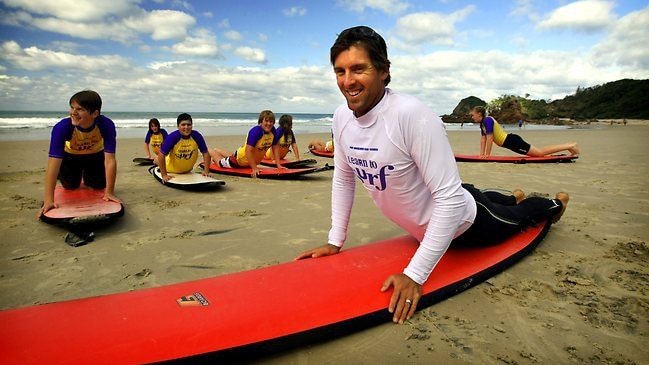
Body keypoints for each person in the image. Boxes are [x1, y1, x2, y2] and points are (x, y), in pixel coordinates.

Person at [294, 26, 570, 325]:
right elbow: (345, 178)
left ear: (384, 71)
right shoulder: (341, 117)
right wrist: (335, 241)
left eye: (359, 69)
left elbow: (450, 200)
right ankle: (508, 196)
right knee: (478, 196)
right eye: (340, 71)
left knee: (519, 216)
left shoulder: (412, 115)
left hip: (465, 225)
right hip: (439, 207)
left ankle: (555, 205)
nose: (348, 81)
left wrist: (415, 274)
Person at [39, 90, 121, 216]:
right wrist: (49, 200)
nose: (73, 113)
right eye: (72, 107)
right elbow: (52, 164)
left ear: (95, 113)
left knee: (98, 185)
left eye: (80, 109)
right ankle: (72, 176)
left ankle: (88, 177)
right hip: (71, 157)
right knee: (70, 186)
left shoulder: (106, 125)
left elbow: (110, 160)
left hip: (95, 157)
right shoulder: (62, 128)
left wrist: (109, 192)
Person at [470, 106, 579, 158]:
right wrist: (481, 154)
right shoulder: (483, 123)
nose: (472, 117)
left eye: (473, 115)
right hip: (510, 143)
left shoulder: (488, 120)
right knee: (539, 153)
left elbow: (490, 139)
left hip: (512, 141)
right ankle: (568, 146)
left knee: (540, 154)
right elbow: (483, 140)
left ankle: (570, 145)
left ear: (479, 114)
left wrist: (487, 155)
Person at [209, 110, 284, 177]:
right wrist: (254, 168)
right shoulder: (256, 131)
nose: (269, 124)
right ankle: (209, 150)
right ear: (261, 121)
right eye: (266, 121)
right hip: (240, 162)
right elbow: (248, 152)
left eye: (271, 122)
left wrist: (278, 165)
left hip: (249, 161)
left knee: (233, 156)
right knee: (220, 163)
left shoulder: (273, 131)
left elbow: (275, 148)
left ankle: (218, 150)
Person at [156, 113, 211, 182]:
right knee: (157, 159)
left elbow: (205, 153)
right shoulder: (172, 137)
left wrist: (206, 171)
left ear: (192, 125)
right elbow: (161, 155)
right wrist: (164, 175)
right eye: (183, 125)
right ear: (178, 126)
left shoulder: (196, 136)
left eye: (189, 124)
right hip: (170, 168)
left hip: (187, 170)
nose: (186, 127)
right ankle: (155, 161)